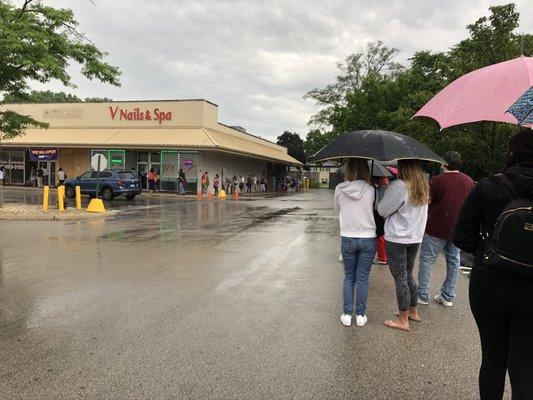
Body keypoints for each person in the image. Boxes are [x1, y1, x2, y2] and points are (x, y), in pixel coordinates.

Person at [453, 129, 533, 400]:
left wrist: (489, 252)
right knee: (524, 364)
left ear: (512, 153)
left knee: (493, 358)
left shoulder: (488, 186)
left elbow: (461, 237)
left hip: (490, 283)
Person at [417, 151, 474, 307]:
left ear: (444, 164)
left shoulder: (437, 181)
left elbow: (426, 201)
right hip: (457, 228)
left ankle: (422, 294)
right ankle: (447, 295)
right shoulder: (468, 181)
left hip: (436, 226)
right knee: (454, 261)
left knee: (427, 260)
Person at [378, 159, 429, 332]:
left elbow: (383, 210)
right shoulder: (422, 185)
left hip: (398, 238)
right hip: (415, 237)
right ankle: (413, 311)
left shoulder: (399, 186)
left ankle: (404, 320)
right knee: (408, 275)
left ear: (403, 168)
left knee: (400, 277)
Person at [335, 158, 377, 328]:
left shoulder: (339, 188)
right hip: (368, 236)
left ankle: (346, 313)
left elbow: (338, 209)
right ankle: (360, 315)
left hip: (347, 235)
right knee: (363, 278)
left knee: (349, 277)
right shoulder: (371, 189)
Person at [374, 176, 390, 265]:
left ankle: (382, 257)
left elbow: (377, 205)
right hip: (385, 214)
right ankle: (384, 256)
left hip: (380, 214)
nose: (387, 180)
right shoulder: (386, 188)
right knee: (383, 236)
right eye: (385, 178)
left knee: (380, 236)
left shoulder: (380, 189)